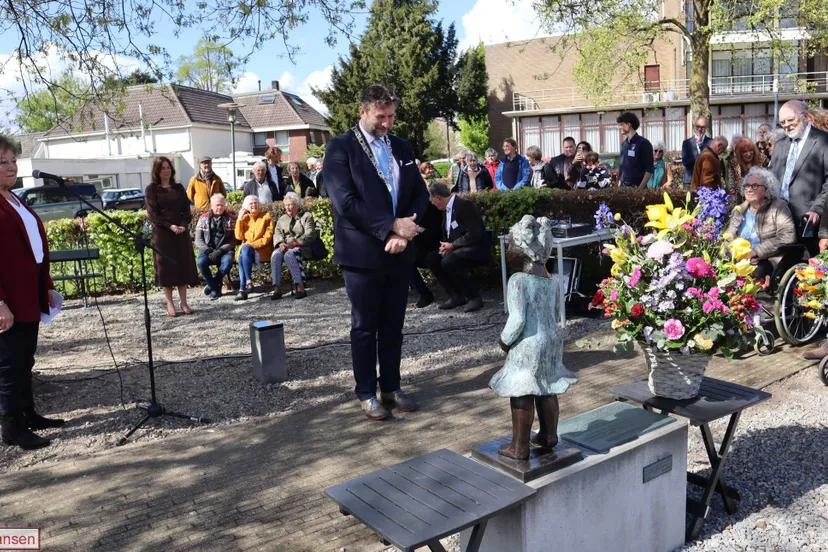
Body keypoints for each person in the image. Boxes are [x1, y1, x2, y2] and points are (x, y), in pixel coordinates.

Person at [323, 84, 429, 420]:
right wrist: (390, 227)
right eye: (380, 117)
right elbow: (345, 202)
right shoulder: (340, 148)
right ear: (363, 112)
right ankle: (367, 392)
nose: (386, 123)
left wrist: (405, 230)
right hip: (362, 255)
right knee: (365, 326)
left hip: (400, 250)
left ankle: (391, 385)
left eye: (391, 116)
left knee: (393, 324)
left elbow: (419, 194)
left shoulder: (401, 146)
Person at [488, 215, 578, 460]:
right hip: (551, 340)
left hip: (528, 343)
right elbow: (556, 314)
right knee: (547, 387)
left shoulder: (518, 280)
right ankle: (549, 435)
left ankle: (519, 446)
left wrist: (504, 341)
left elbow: (517, 320)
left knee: (522, 389)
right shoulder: (552, 282)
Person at [0, 134, 62, 450]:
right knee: (9, 364)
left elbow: (35, 247)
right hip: (8, 301)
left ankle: (28, 414)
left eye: (13, 161)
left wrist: (47, 286)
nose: (11, 168)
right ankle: (11, 427)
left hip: (30, 295)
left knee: (26, 359)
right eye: (2, 162)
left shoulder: (15, 198)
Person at [771, 100, 828, 256]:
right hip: (780, 219)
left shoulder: (823, 141)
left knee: (810, 270)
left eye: (791, 120)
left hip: (810, 219)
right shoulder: (780, 145)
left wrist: (817, 208)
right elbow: (772, 179)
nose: (787, 125)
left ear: (806, 117)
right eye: (782, 122)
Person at [145, 157, 199, 317]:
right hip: (163, 234)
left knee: (182, 266)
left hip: (180, 232)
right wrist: (170, 226)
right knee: (166, 269)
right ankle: (170, 304)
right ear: (157, 171)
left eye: (168, 168)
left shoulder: (178, 188)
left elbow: (186, 210)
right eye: (163, 168)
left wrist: (182, 224)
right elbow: (153, 214)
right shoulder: (152, 190)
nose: (166, 171)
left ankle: (184, 302)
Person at [425, 181, 490, 313]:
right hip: (458, 249)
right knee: (432, 259)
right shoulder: (446, 209)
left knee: (449, 261)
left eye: (431, 199)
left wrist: (453, 245)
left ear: (438, 198)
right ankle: (456, 296)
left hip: (476, 248)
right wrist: (445, 246)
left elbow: (475, 233)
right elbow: (450, 233)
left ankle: (474, 297)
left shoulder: (464, 205)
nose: (431, 202)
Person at [723, 167, 795, 284]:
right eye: (747, 186)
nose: (749, 189)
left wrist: (756, 252)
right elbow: (728, 236)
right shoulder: (738, 210)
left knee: (756, 272)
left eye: (755, 186)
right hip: (738, 260)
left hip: (766, 260)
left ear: (767, 190)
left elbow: (787, 237)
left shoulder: (778, 207)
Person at [270, 192, 317, 300]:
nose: (288, 207)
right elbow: (277, 233)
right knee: (275, 255)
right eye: (286, 205)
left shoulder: (306, 216)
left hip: (302, 247)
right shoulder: (282, 219)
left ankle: (300, 287)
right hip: (285, 246)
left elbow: (310, 234)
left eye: (290, 205)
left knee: (289, 255)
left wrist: (295, 243)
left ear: (297, 205)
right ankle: (276, 288)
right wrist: (280, 243)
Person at [194, 194, 236, 300]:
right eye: (217, 205)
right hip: (208, 249)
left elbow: (233, 240)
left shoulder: (230, 219)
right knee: (201, 263)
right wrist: (208, 251)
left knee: (227, 263)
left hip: (225, 250)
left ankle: (212, 285)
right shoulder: (203, 218)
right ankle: (214, 287)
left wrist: (221, 250)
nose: (219, 207)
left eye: (222, 205)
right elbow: (198, 240)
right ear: (211, 205)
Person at [234, 195, 274, 301]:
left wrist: (251, 245)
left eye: (255, 203)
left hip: (262, 250)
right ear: (246, 206)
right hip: (247, 252)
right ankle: (248, 282)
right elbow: (238, 236)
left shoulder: (266, 217)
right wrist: (239, 218)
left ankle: (243, 288)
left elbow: (267, 238)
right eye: (250, 203)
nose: (253, 205)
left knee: (244, 251)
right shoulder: (245, 218)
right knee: (244, 253)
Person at [410, 199, 442, 308]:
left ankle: (425, 295)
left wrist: (419, 230)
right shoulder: (408, 210)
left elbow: (436, 232)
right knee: (405, 260)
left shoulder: (431, 209)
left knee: (410, 261)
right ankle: (424, 294)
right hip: (418, 248)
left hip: (433, 248)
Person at [617, 112, 655, 188]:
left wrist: (640, 189)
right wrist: (620, 183)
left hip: (637, 187)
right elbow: (622, 167)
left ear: (629, 124)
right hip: (623, 187)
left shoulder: (644, 143)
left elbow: (649, 169)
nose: (619, 127)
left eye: (621, 124)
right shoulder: (623, 145)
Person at [681, 116, 712, 188]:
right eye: (698, 126)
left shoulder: (711, 142)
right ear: (694, 127)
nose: (700, 129)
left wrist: (700, 145)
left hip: (706, 181)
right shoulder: (686, 143)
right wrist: (698, 157)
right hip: (689, 181)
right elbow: (685, 162)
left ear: (706, 127)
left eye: (702, 127)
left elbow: (710, 161)